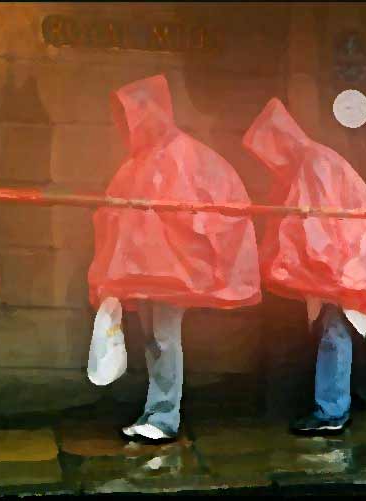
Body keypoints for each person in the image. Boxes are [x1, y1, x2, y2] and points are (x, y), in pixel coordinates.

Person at [88, 75, 261, 443]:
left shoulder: (179, 154)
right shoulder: (146, 158)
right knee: (154, 339)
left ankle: (165, 417)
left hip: (169, 271)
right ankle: (156, 411)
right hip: (153, 270)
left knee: (163, 338)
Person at [242, 98, 366, 434]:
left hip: (345, 262)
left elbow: (320, 225)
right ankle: (337, 402)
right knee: (337, 330)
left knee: (334, 331)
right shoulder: (313, 160)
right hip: (346, 259)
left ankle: (332, 411)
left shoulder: (314, 163)